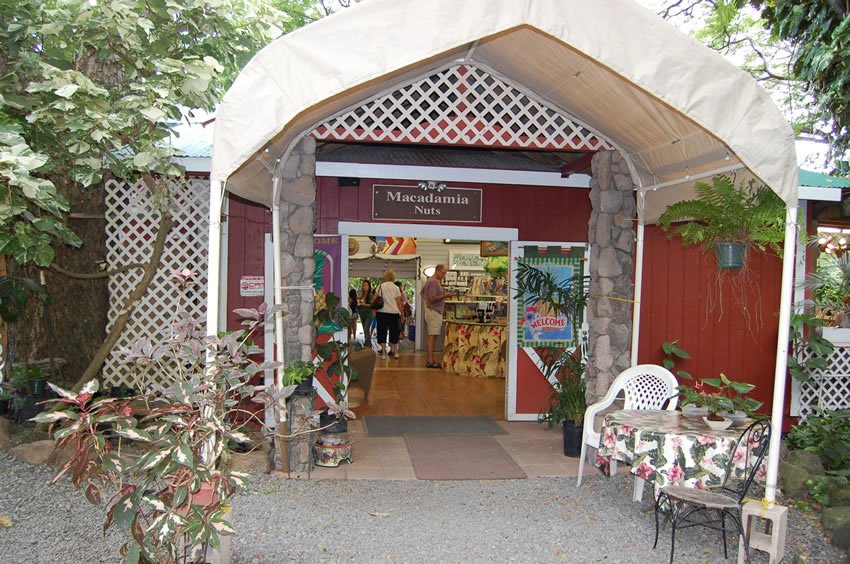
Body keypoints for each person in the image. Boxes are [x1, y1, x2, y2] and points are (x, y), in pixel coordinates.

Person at [421, 264, 453, 368]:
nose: (444, 275)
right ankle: (430, 361)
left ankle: (430, 359)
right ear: (438, 271)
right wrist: (446, 295)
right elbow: (433, 298)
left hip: (432, 311)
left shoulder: (430, 281)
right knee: (432, 336)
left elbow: (422, 293)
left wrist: (427, 304)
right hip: (434, 312)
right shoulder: (434, 282)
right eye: (443, 272)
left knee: (433, 335)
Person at [372, 269, 403, 359]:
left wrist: (373, 311)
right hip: (394, 313)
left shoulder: (381, 286)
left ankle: (384, 353)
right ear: (393, 277)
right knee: (394, 332)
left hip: (381, 313)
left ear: (385, 276)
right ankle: (396, 352)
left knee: (382, 332)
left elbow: (374, 299)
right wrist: (402, 314)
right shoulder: (396, 288)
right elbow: (399, 302)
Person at [356, 280, 375, 347]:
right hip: (362, 314)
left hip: (369, 314)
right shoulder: (362, 295)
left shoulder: (370, 295)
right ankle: (367, 342)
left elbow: (372, 305)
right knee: (364, 329)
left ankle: (369, 344)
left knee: (366, 328)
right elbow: (359, 302)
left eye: (366, 285)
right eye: (363, 285)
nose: (365, 287)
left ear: (369, 287)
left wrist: (364, 304)